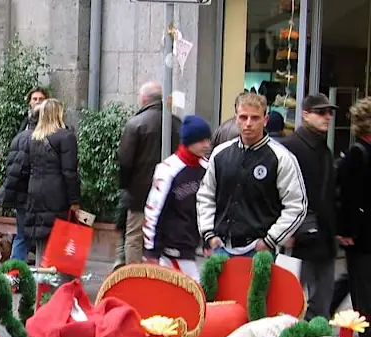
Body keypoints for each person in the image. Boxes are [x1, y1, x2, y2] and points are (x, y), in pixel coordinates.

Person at [197, 92, 307, 257]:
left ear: (265, 120)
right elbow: (206, 195)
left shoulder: (282, 158)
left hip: (259, 251)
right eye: (243, 117)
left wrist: (271, 240)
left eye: (255, 118)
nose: (248, 123)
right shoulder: (220, 154)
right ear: (236, 118)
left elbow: (297, 206)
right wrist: (209, 234)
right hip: (220, 248)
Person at [279, 94, 338, 319]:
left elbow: (329, 193)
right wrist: (286, 230)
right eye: (321, 112)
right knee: (288, 302)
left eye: (329, 113)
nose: (327, 117)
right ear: (305, 114)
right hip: (298, 235)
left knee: (321, 302)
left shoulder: (324, 149)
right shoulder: (290, 148)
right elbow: (279, 193)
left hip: (322, 235)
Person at [118, 81, 181, 265]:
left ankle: (135, 281)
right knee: (163, 239)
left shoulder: (135, 124)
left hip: (139, 194)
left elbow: (124, 161)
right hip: (170, 193)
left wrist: (126, 186)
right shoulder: (176, 123)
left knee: (135, 239)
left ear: (143, 99)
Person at [143, 115, 211, 280]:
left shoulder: (206, 168)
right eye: (201, 140)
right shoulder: (168, 170)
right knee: (193, 294)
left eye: (208, 140)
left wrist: (208, 241)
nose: (207, 145)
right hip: (171, 249)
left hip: (192, 246)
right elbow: (153, 212)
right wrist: (151, 251)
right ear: (189, 141)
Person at [17, 98, 80, 266]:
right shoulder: (66, 137)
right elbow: (69, 172)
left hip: (35, 191)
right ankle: (57, 286)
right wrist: (74, 200)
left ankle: (41, 286)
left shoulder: (32, 138)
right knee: (59, 241)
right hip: (56, 193)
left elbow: (24, 168)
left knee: (41, 242)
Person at [336, 97, 371, 337]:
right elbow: (348, 197)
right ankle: (366, 331)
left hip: (365, 231)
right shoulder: (357, 154)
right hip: (361, 234)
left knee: (358, 279)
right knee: (362, 282)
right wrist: (346, 230)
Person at [0, 104, 41, 262]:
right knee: (35, 238)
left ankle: (14, 274)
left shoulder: (20, 137)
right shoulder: (37, 139)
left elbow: (13, 170)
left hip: (21, 196)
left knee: (21, 235)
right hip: (32, 196)